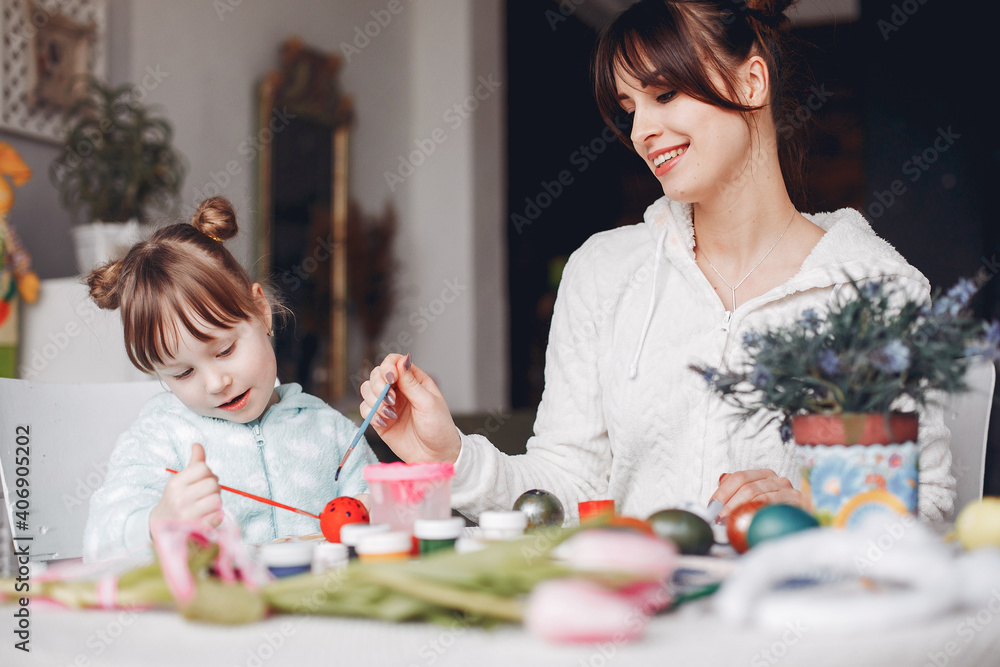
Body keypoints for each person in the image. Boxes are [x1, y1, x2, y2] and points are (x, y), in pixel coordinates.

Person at [360, 0, 955, 523]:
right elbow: (570, 486)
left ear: (752, 83)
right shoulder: (602, 273)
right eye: (629, 108)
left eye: (665, 94)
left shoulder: (869, 292)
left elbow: (921, 511)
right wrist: (450, 458)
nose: (642, 129)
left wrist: (813, 510)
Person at [82, 196, 376, 561]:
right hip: (221, 614)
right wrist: (158, 523)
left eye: (224, 351)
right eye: (184, 372)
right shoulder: (160, 438)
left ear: (261, 310)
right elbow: (99, 541)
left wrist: (376, 511)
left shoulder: (330, 431)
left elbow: (387, 515)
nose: (215, 383)